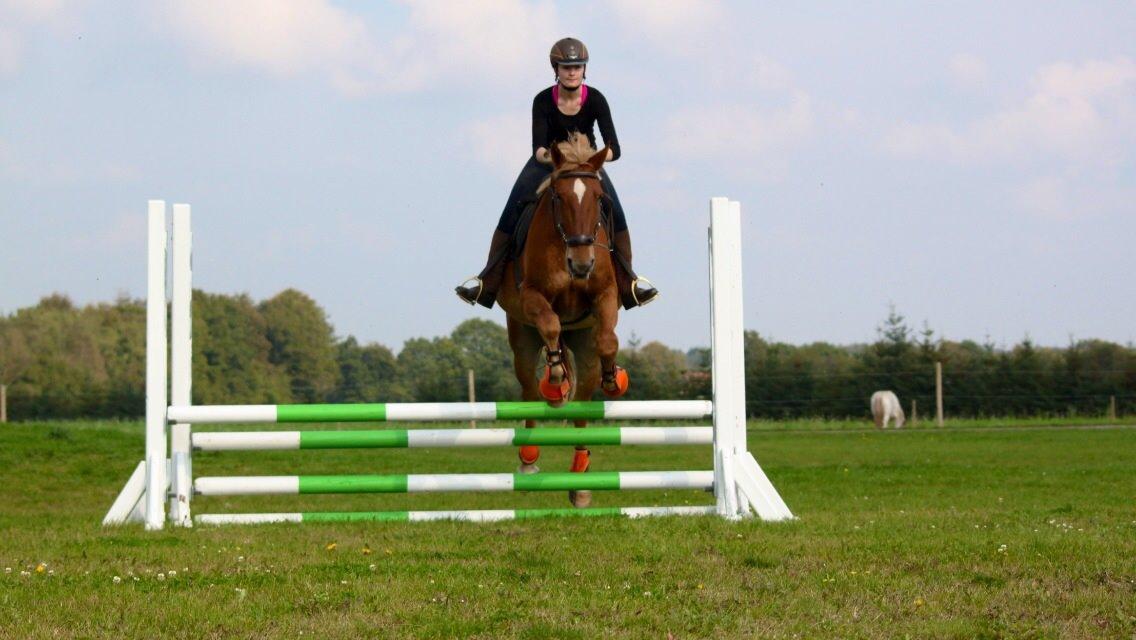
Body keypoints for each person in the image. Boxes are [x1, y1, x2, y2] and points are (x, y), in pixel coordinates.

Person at [455, 37, 658, 310]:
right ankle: (487, 283)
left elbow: (615, 149)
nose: (572, 72)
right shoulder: (542, 100)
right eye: (566, 67)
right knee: (512, 209)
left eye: (577, 66)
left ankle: (629, 284)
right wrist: (558, 158)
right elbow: (539, 148)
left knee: (616, 212)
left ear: (584, 69)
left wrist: (592, 159)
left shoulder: (597, 99)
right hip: (548, 163)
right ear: (556, 69)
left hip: (586, 167)